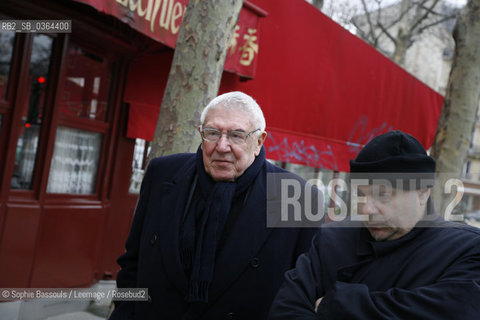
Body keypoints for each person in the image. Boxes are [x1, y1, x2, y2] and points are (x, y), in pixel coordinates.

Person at [109, 91, 317, 320]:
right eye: (212, 133)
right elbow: (132, 264)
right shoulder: (163, 173)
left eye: (237, 136)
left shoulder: (295, 195)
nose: (222, 146)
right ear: (201, 134)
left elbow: (303, 294)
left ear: (259, 142)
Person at [268, 130, 480, 319]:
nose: (366, 209)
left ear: (423, 192)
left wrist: (338, 303)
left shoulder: (466, 249)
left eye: (383, 195)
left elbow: (455, 310)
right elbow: (285, 309)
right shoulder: (333, 238)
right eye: (361, 195)